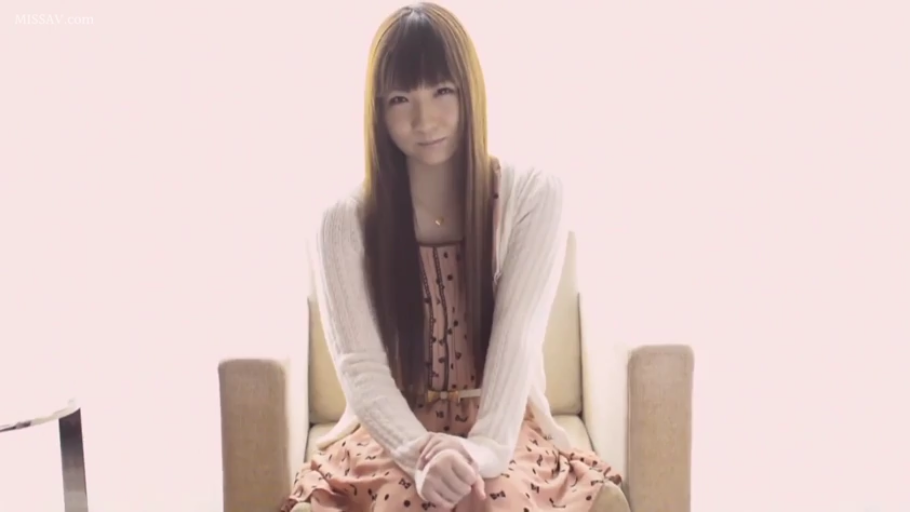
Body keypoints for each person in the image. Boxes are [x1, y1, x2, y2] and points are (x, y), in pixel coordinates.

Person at [281, 2, 622, 511]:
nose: (424, 121)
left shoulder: (533, 196)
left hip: (502, 427)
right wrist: (422, 455)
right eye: (401, 99)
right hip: (391, 431)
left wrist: (479, 452)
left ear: (470, 90)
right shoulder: (343, 221)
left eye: (442, 91)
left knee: (496, 499)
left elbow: (517, 338)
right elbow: (360, 367)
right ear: (378, 110)